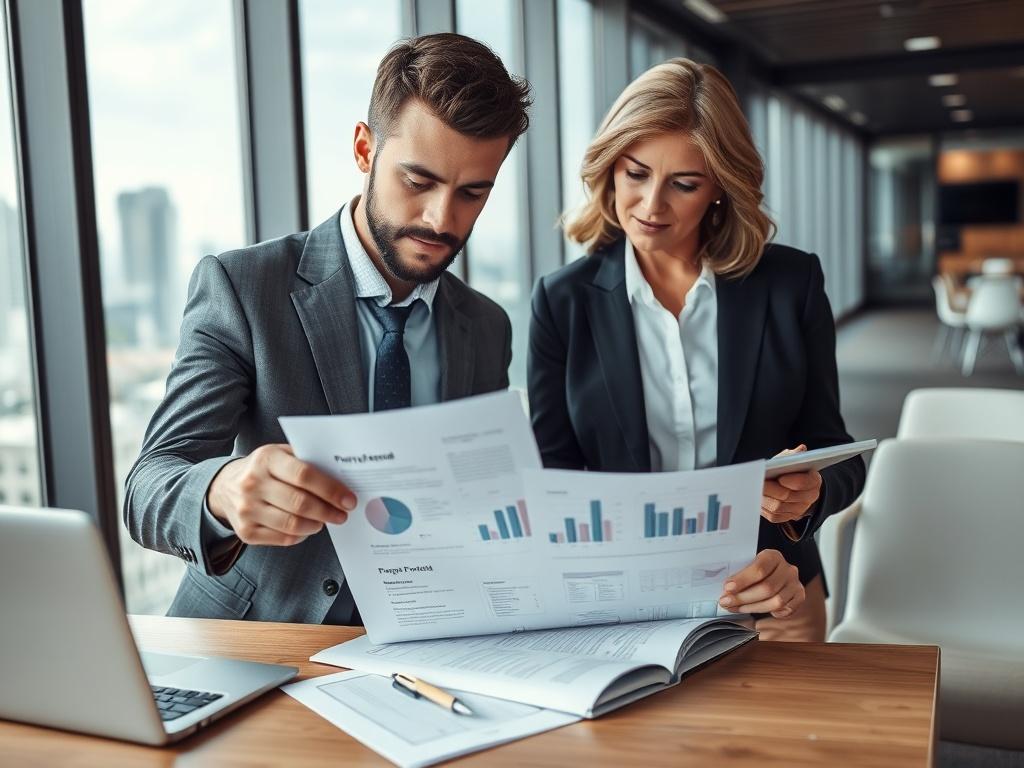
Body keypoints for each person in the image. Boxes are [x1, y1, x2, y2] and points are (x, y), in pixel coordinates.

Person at [124, 33, 532, 625]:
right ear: (365, 149)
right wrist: (223, 491)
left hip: (423, 642)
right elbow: (149, 486)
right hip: (256, 635)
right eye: (418, 182)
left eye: (472, 193)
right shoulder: (244, 287)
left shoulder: (487, 326)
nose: (441, 219)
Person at [528, 58, 865, 641]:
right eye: (636, 174)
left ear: (719, 190)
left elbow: (838, 452)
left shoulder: (791, 284)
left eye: (684, 184)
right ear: (609, 168)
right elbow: (552, 478)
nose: (651, 205)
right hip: (626, 598)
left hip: (771, 589)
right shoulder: (562, 302)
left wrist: (809, 497)